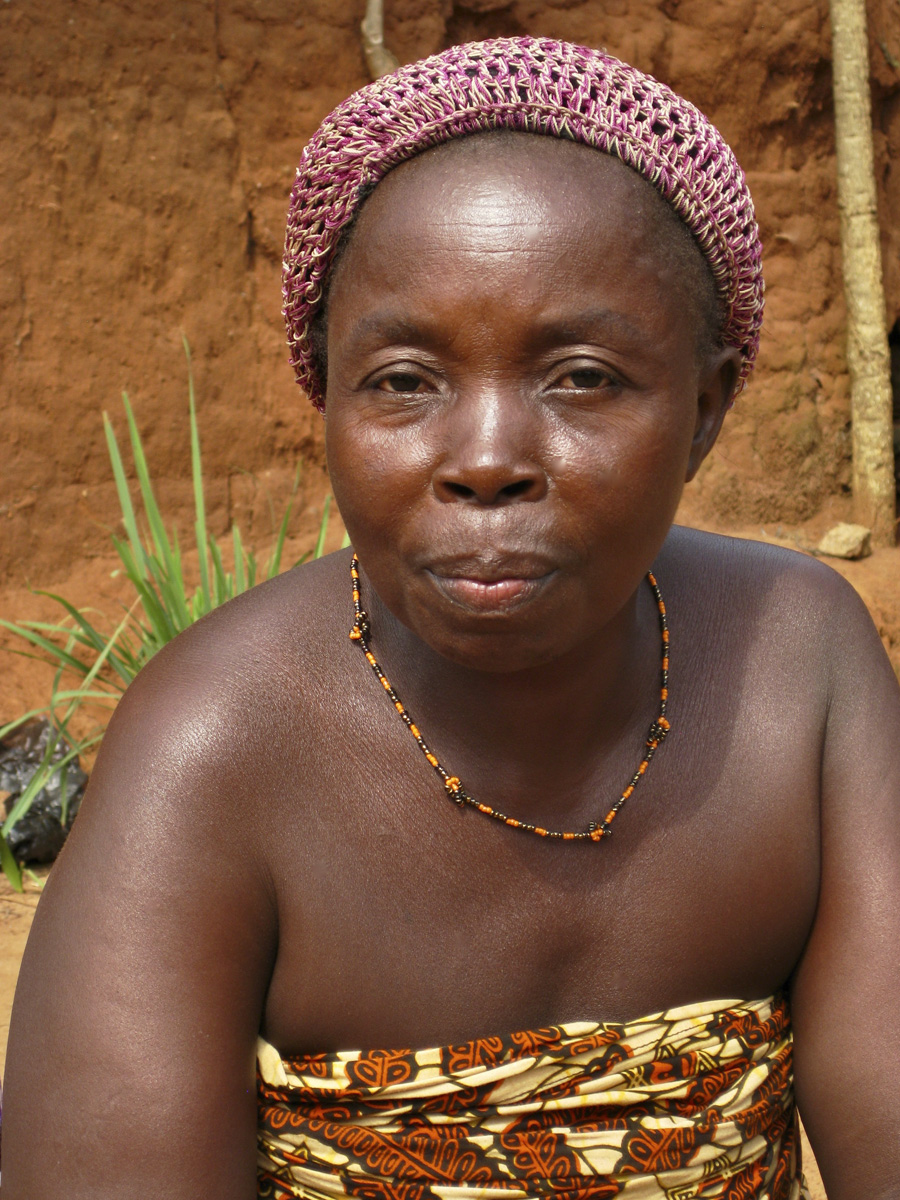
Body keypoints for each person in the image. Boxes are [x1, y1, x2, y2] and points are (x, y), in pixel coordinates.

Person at [2, 35, 899, 1200]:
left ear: (707, 408)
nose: (485, 461)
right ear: (325, 397)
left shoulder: (799, 661)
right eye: (403, 381)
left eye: (580, 376)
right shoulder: (216, 747)